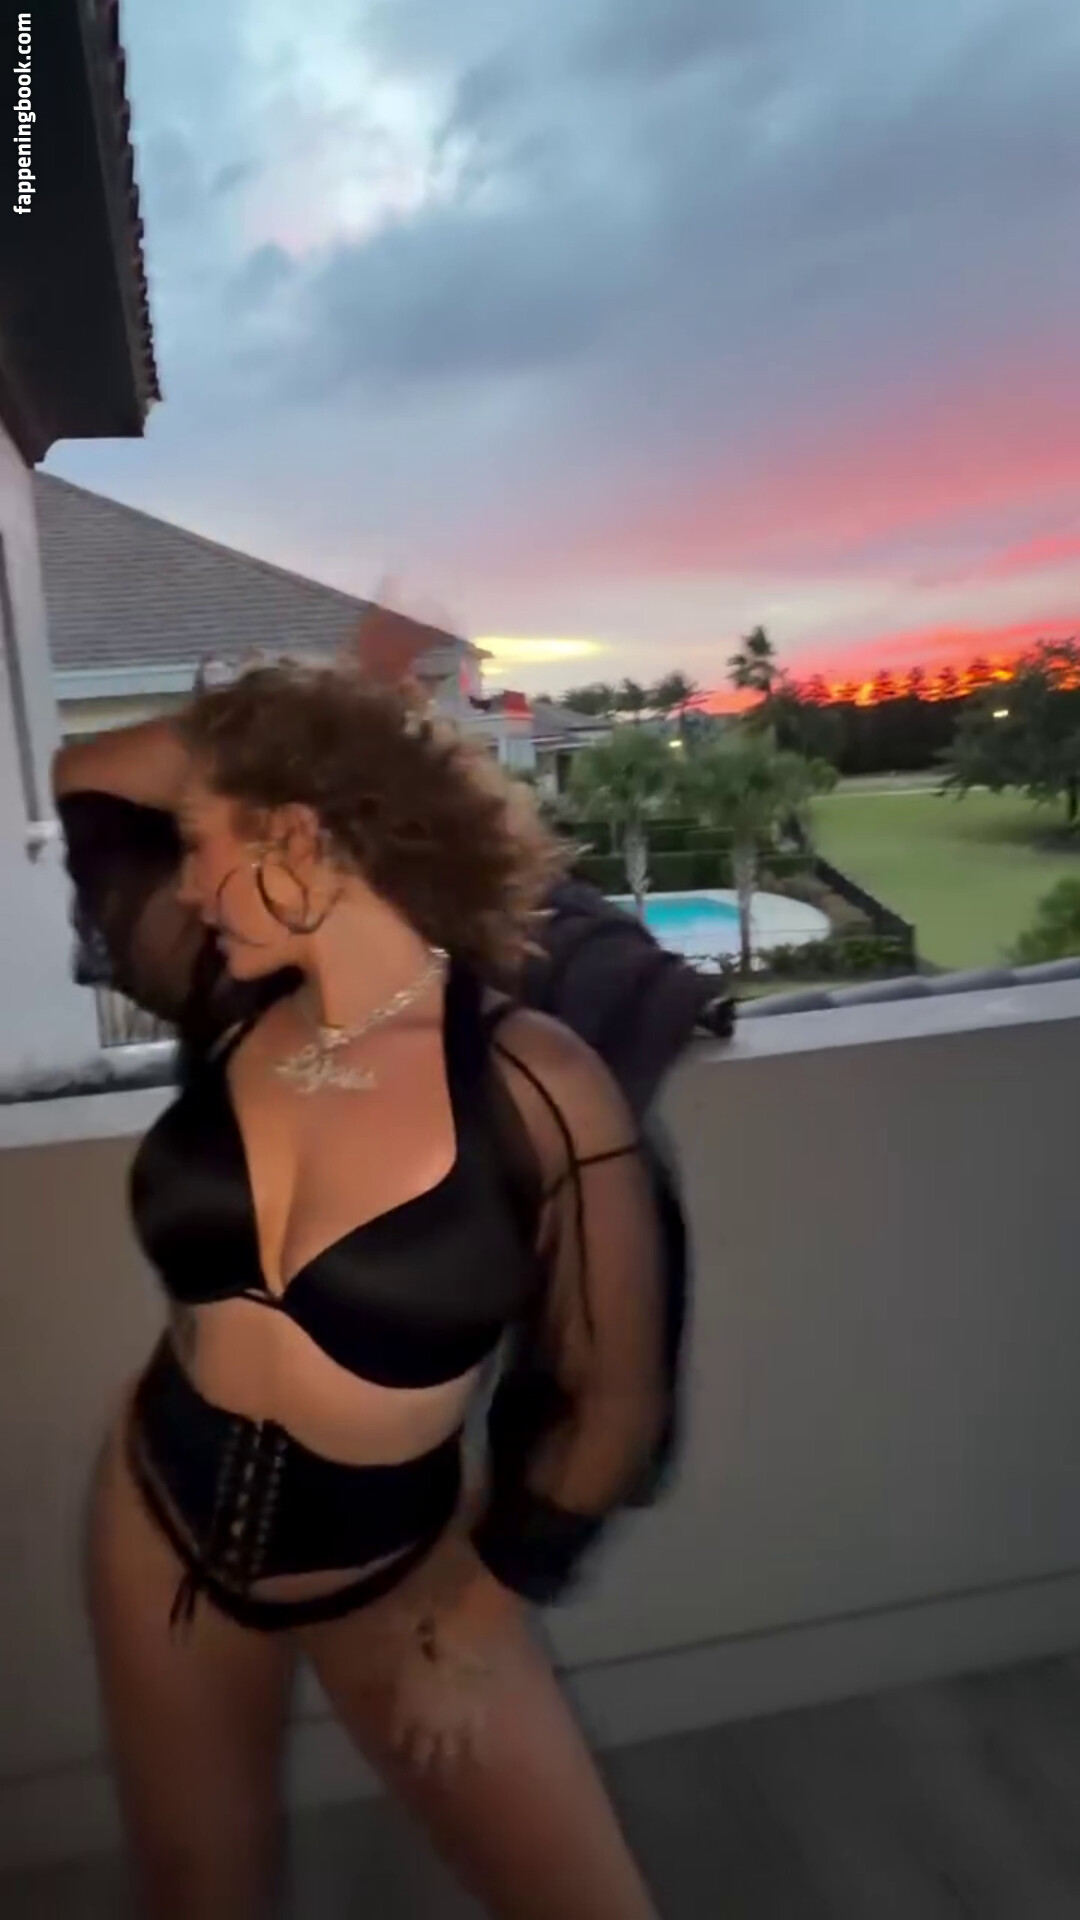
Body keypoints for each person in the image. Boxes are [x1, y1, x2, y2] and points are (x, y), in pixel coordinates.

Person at [53, 659, 668, 1920]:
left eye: (201, 843)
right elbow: (83, 775)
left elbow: (610, 1399)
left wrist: (478, 1622)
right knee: (198, 1896)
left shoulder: (537, 1085)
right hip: (157, 1518)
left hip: (403, 1573)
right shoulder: (229, 999)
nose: (185, 885)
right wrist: (302, 718)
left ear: (297, 836)